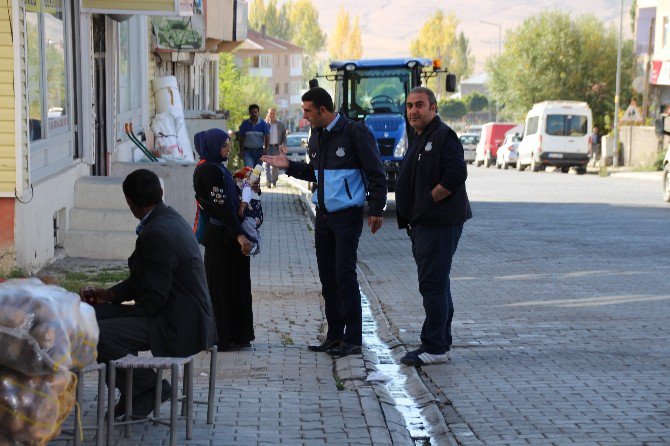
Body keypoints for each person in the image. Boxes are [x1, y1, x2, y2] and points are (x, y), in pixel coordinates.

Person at [82, 169, 218, 418]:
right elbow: (146, 279)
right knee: (89, 314)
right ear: (160, 193)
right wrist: (110, 295)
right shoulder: (167, 217)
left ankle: (150, 388)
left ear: (130, 202)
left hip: (178, 323)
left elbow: (154, 298)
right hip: (174, 311)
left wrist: (121, 319)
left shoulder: (157, 232)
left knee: (96, 330)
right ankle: (134, 391)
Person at [262, 87, 387, 358]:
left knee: (345, 275)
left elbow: (376, 171)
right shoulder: (317, 136)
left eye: (308, 111)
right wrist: (289, 166)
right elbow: (314, 172)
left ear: (323, 110)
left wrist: (376, 208)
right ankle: (334, 335)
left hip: (347, 216)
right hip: (324, 216)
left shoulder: (354, 133)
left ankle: (353, 339)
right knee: (328, 277)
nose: (305, 117)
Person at [395, 86, 472, 367]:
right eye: (409, 106)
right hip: (424, 224)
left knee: (433, 284)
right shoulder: (418, 137)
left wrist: (429, 202)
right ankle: (441, 340)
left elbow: (456, 174)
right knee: (437, 282)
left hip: (439, 223)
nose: (413, 110)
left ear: (433, 108)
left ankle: (434, 347)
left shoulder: (443, 136)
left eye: (419, 105)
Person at [192, 129, 256, 351]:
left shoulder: (218, 167)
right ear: (211, 146)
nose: (228, 148)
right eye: (224, 145)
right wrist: (239, 235)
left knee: (237, 284)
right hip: (221, 236)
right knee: (221, 287)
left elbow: (229, 203)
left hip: (230, 233)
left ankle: (239, 334)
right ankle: (224, 337)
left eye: (229, 144)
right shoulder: (208, 171)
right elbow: (220, 207)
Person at [233, 166, 263, 256]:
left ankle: (253, 244)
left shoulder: (246, 185)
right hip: (255, 216)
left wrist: (243, 205)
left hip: (251, 215)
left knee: (248, 226)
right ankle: (256, 242)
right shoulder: (246, 185)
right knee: (251, 228)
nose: (237, 181)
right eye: (236, 179)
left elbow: (246, 195)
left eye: (239, 179)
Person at [265, 108, 287, 188]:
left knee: (275, 165)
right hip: (268, 147)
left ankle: (274, 181)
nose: (272, 115)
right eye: (271, 114)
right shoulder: (266, 124)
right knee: (267, 165)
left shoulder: (280, 124)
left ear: (275, 114)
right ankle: (268, 180)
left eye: (273, 113)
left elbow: (284, 135)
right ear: (268, 114)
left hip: (276, 147)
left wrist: (284, 145)